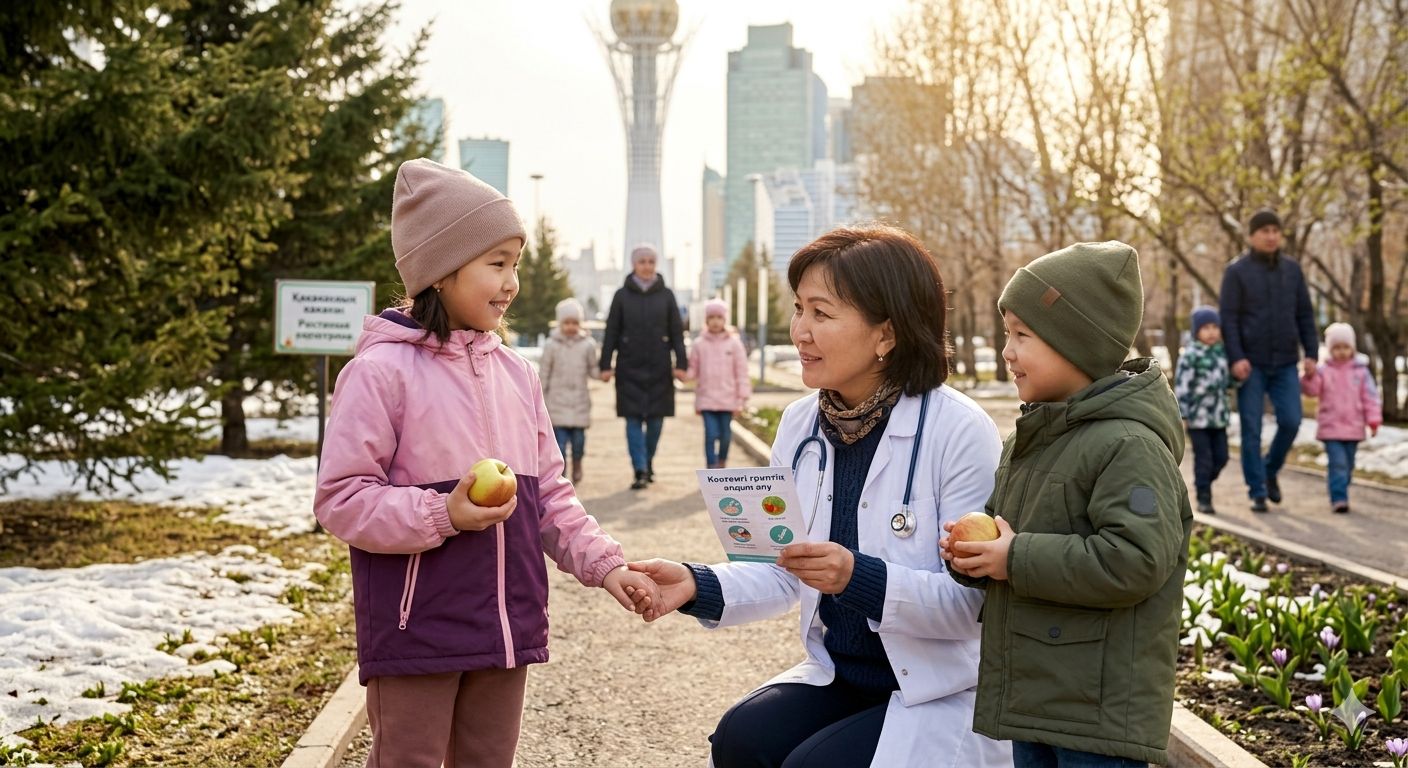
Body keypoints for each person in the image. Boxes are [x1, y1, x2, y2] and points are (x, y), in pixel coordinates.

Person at [313, 159, 656, 768]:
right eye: (496, 263)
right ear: (440, 271)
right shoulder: (380, 372)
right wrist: (443, 513)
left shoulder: (516, 374)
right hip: (416, 627)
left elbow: (550, 495)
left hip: (505, 626)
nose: (511, 282)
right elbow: (342, 498)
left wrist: (606, 567)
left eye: (515, 264)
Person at [630, 225, 1011, 768]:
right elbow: (783, 569)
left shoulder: (959, 431)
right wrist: (696, 585)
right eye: (798, 309)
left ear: (886, 334)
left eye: (821, 313)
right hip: (843, 672)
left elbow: (968, 605)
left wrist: (857, 577)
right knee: (740, 740)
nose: (800, 331)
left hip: (938, 685)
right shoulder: (801, 424)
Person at [941, 241, 1194, 767]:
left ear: (1076, 345)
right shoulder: (1033, 436)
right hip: (1037, 697)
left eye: (1022, 335)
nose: (1006, 351)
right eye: (1006, 334)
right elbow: (1006, 536)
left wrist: (1014, 558)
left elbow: (1135, 561)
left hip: (1095, 715)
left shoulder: (1130, 444)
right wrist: (977, 559)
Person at [1219, 209, 1318, 512]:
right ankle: (1257, 490)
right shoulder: (1237, 272)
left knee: (1291, 421)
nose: (1272, 236)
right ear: (1252, 236)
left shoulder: (1292, 270)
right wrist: (1236, 357)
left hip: (1286, 361)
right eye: (1265, 231)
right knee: (1251, 429)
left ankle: (1269, 469)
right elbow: (1229, 319)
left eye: (1276, 230)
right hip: (1251, 364)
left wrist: (1311, 352)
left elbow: (1304, 313)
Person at [599, 243, 688, 490]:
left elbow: (677, 333)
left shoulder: (666, 295)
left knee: (656, 421)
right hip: (629, 367)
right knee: (633, 419)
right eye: (642, 262)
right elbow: (611, 332)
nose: (647, 266)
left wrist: (681, 363)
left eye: (651, 262)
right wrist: (605, 364)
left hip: (660, 367)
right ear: (633, 264)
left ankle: (647, 461)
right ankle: (639, 469)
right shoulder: (621, 296)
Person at [1300, 322, 1382, 514]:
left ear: (1352, 348)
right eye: (1337, 348)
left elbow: (1370, 398)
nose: (1342, 352)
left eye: (1345, 347)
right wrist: (1309, 376)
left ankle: (1340, 485)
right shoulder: (1323, 370)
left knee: (1348, 465)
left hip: (1354, 427)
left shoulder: (1361, 372)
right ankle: (1339, 498)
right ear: (1330, 349)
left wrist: (1373, 420)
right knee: (1338, 463)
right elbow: (1312, 391)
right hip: (1331, 427)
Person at [1174, 305, 1231, 514]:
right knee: (1204, 459)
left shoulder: (1222, 354)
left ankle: (1204, 481)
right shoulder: (1190, 355)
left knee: (1222, 457)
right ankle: (1203, 496)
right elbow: (1182, 386)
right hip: (1198, 418)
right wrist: (1183, 415)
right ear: (1196, 331)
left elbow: (1227, 381)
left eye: (1215, 327)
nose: (1211, 332)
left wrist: (1238, 378)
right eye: (1206, 328)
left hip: (1218, 417)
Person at [540, 297, 598, 484]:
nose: (571, 327)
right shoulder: (551, 345)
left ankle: (578, 464)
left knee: (579, 443)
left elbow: (593, 370)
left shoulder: (588, 345)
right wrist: (539, 398)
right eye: (567, 323)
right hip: (557, 404)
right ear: (560, 323)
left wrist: (606, 372)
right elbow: (544, 374)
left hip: (579, 403)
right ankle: (562, 476)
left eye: (575, 323)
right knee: (560, 445)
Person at [689, 297, 751, 469]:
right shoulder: (699, 344)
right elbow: (693, 369)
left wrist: (742, 398)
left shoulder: (734, 343)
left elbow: (741, 372)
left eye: (719, 317)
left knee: (725, 436)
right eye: (711, 318)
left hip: (728, 399)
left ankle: (721, 462)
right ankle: (711, 468)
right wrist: (681, 373)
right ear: (706, 320)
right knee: (710, 435)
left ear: (725, 319)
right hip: (707, 399)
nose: (715, 321)